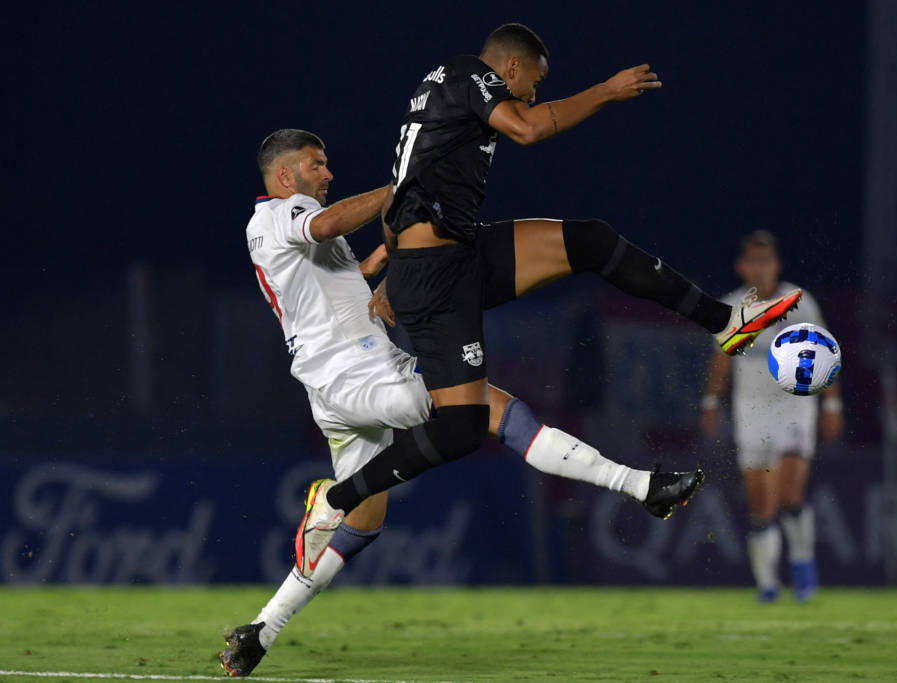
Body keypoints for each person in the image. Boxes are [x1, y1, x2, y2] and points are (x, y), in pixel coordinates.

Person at [296, 23, 803, 575]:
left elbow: (406, 181)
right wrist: (606, 91)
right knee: (462, 427)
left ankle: (724, 321)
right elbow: (529, 128)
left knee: (591, 241)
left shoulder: (441, 90)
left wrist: (392, 267)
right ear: (510, 68)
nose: (533, 94)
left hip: (455, 254)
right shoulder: (470, 75)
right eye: (533, 83)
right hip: (435, 277)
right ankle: (336, 499)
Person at [220, 128, 703, 676]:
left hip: (334, 387)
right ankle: (639, 485)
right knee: (489, 409)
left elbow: (333, 282)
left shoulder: (279, 231)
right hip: (359, 374)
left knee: (365, 523)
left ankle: (262, 629)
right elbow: (329, 223)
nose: (328, 174)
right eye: (317, 164)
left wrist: (381, 266)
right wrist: (399, 187)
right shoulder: (281, 214)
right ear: (285, 175)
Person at [700, 230, 843, 602]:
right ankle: (767, 584)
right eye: (754, 262)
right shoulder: (731, 307)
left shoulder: (799, 302)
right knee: (762, 503)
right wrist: (710, 403)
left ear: (776, 265)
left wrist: (832, 406)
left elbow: (824, 354)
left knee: (792, 492)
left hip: (794, 406)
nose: (760, 268)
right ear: (742, 267)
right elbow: (721, 361)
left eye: (766, 261)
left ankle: (802, 563)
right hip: (751, 411)